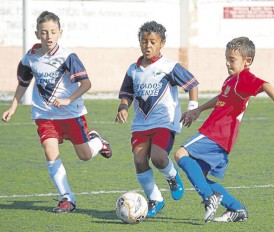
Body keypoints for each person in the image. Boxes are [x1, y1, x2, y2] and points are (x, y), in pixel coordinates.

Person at [174, 36, 274, 223]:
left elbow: (263, 83)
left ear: (247, 61)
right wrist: (199, 109)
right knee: (199, 176)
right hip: (222, 138)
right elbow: (221, 97)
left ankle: (209, 198)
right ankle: (237, 209)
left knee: (180, 154)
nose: (227, 63)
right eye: (227, 58)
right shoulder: (231, 80)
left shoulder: (244, 78)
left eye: (232, 59)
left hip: (216, 133)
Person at [2, 11, 112, 213]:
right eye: (44, 32)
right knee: (50, 152)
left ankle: (97, 141)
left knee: (85, 155)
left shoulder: (68, 56)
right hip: (45, 115)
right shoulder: (31, 57)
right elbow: (23, 83)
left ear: (60, 32)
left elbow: (86, 83)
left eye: (53, 31)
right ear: (37, 34)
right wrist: (13, 106)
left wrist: (68, 99)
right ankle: (67, 198)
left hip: (71, 114)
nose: (49, 36)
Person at [115, 21, 199, 217]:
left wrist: (193, 107)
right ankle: (155, 199)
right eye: (144, 42)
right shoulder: (133, 69)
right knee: (139, 160)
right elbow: (126, 93)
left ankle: (172, 178)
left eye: (153, 42)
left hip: (165, 121)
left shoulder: (169, 67)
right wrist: (123, 107)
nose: (148, 45)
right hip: (141, 123)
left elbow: (192, 84)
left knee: (159, 158)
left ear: (162, 43)